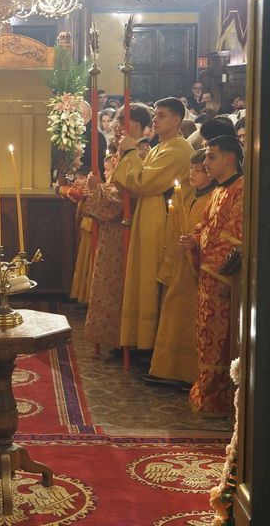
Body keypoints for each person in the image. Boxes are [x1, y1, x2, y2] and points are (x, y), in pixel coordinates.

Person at [111, 97, 194, 352]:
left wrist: (130, 152)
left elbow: (143, 181)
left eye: (161, 115)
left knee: (151, 280)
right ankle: (141, 340)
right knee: (142, 276)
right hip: (150, 219)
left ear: (177, 120)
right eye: (155, 115)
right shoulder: (162, 147)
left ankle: (151, 344)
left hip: (163, 225)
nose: (155, 120)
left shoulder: (178, 150)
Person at [179, 135, 245, 415]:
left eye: (211, 157)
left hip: (226, 280)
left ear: (229, 158)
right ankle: (206, 392)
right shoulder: (218, 191)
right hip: (208, 278)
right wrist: (193, 241)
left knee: (222, 339)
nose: (205, 162)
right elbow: (204, 226)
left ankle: (220, 398)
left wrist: (204, 248)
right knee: (206, 337)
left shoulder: (242, 189)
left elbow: (235, 235)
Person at [147, 148, 217, 387]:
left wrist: (194, 244)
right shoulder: (191, 197)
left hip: (195, 270)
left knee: (187, 318)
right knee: (172, 312)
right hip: (181, 265)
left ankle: (187, 373)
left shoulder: (210, 199)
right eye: (191, 169)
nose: (192, 174)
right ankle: (167, 369)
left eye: (199, 170)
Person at [83, 154, 125, 355]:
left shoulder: (132, 163)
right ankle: (108, 337)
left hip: (120, 239)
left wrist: (98, 187)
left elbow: (117, 205)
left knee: (115, 286)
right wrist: (96, 189)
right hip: (109, 238)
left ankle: (121, 339)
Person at [57, 167, 93, 303]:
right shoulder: (81, 191)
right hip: (82, 229)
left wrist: (60, 189)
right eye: (77, 178)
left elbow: (69, 192)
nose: (77, 181)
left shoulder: (89, 191)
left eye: (82, 178)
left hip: (90, 230)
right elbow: (66, 191)